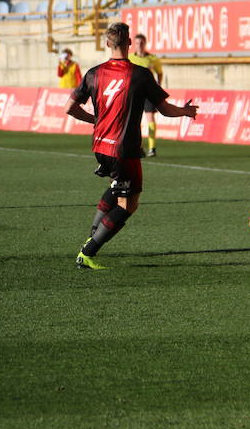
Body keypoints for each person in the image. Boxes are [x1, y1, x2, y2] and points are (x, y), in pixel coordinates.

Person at [64, 22, 198, 270]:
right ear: (128, 45)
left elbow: (69, 107)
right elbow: (165, 109)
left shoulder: (94, 73)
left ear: (107, 44)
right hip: (123, 148)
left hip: (100, 145)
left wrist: (95, 120)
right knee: (130, 203)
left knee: (116, 186)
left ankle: (93, 234)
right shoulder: (139, 74)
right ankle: (88, 251)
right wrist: (186, 111)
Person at [129, 34, 164, 157]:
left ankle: (152, 147)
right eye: (137, 43)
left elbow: (159, 73)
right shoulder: (130, 58)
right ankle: (139, 146)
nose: (139, 45)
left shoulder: (153, 59)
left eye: (142, 43)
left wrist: (158, 85)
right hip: (135, 93)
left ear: (145, 44)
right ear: (134, 44)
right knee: (134, 122)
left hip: (148, 93)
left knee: (151, 120)